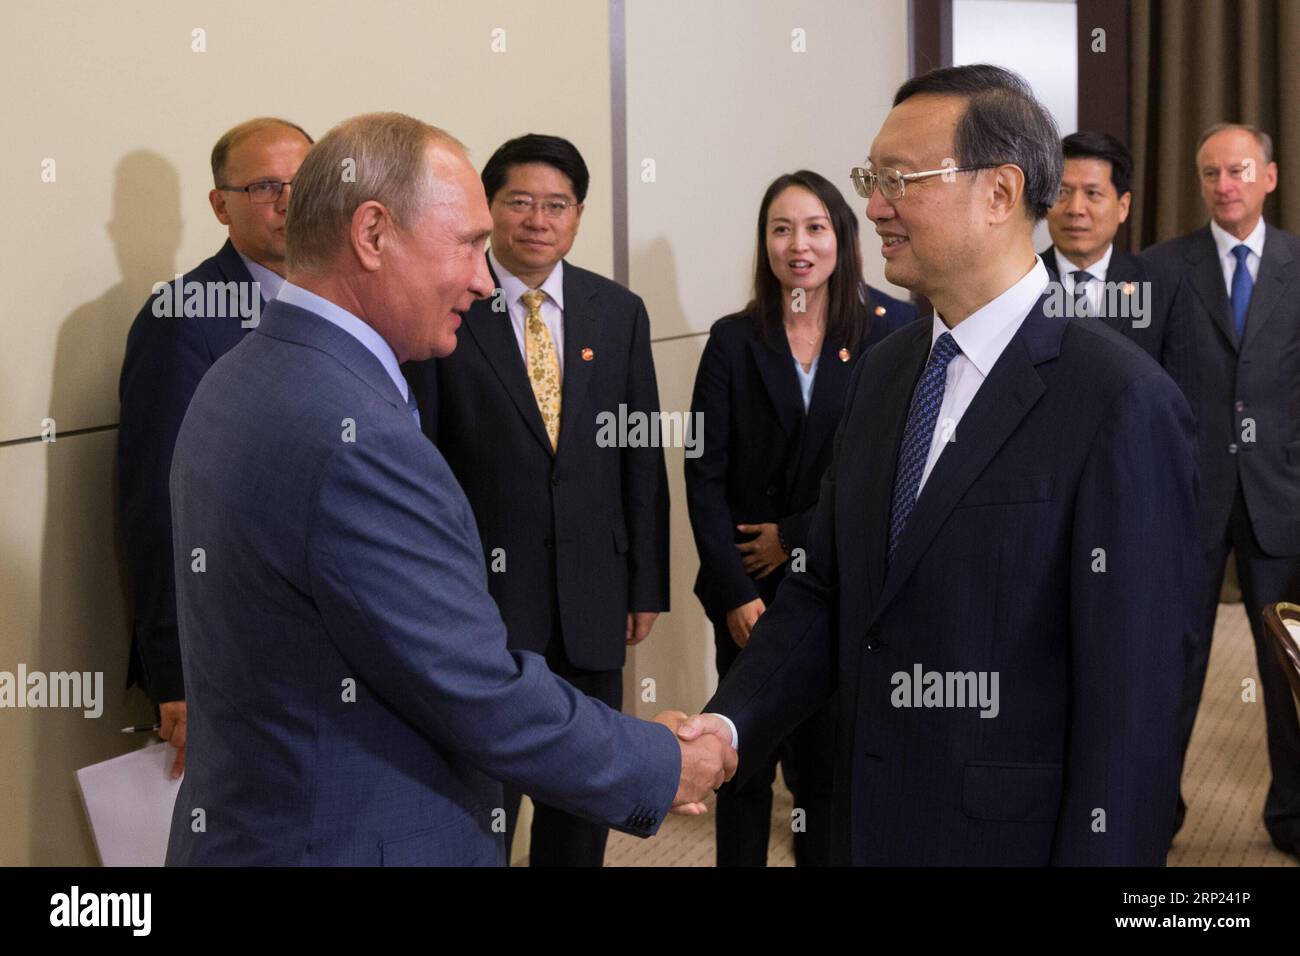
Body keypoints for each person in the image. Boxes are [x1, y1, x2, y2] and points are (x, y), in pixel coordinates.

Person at [164, 113, 731, 866]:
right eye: (467, 242)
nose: (479, 276)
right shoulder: (354, 436)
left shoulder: (238, 376)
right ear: (372, 234)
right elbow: (476, 689)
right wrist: (662, 762)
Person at [677, 64, 1197, 865]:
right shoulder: (886, 373)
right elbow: (827, 589)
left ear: (999, 193)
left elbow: (1133, 709)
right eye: (870, 178)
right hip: (866, 822)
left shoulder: (1121, 403)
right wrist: (727, 725)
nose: (873, 207)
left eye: (898, 180)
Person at [402, 134, 669, 866]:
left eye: (557, 205)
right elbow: (424, 453)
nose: (538, 220)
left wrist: (645, 580)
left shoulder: (617, 311)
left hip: (592, 595)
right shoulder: (451, 304)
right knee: (481, 798)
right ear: (490, 209)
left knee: (582, 794)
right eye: (519, 202)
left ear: (578, 215)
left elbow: (639, 455)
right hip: (482, 601)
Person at [686, 169, 915, 866]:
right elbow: (704, 470)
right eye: (781, 228)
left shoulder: (894, 329)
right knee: (743, 769)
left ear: (842, 238)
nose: (798, 245)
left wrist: (794, 535)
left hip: (842, 586)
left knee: (826, 775)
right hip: (747, 599)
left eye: (815, 227)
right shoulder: (733, 339)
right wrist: (734, 591)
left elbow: (891, 468)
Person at [118, 117, 312, 779]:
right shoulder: (184, 318)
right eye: (265, 186)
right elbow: (159, 506)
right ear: (218, 204)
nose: (288, 201)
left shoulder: (347, 300)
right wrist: (174, 672)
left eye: (303, 181)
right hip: (233, 646)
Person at [1142, 122, 1300, 856]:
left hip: (1283, 496)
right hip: (1188, 497)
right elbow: (1137, 393)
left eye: (1238, 170)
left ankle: (1293, 814)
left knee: (1289, 669)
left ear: (1269, 177)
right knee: (1169, 665)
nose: (1224, 185)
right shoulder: (1162, 269)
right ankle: (1152, 813)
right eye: (1210, 173)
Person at [1041, 131, 1190, 395]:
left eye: (1092, 193)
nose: (1075, 208)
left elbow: (1177, 391)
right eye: (1062, 192)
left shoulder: (1159, 286)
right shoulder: (1021, 281)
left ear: (1123, 206)